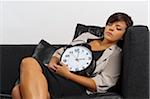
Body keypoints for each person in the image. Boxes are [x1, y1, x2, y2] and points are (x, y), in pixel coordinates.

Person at [11, 12, 133, 99]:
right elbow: (64, 51)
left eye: (118, 28)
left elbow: (100, 85)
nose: (111, 29)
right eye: (110, 24)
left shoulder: (115, 53)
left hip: (77, 85)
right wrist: (54, 60)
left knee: (20, 84)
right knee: (24, 71)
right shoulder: (86, 37)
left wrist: (68, 75)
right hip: (59, 74)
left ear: (123, 36)